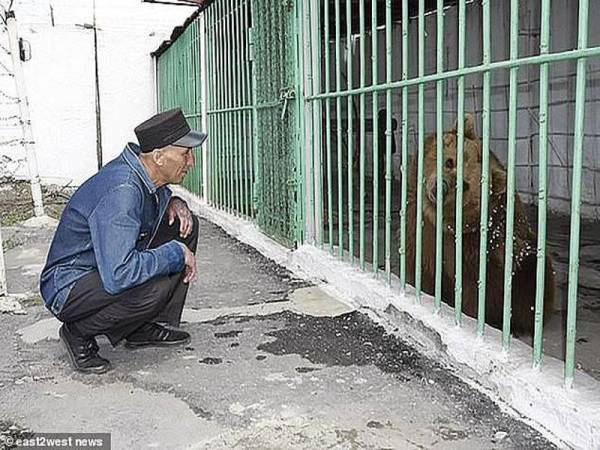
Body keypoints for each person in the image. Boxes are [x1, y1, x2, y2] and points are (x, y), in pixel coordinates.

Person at [40, 108, 207, 374]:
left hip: (100, 267)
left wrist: (174, 201)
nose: (191, 162)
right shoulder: (122, 191)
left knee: (184, 227)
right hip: (68, 285)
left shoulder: (144, 173)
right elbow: (119, 273)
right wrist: (175, 254)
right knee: (153, 289)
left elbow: (151, 200)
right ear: (159, 156)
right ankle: (78, 333)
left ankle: (140, 328)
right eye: (185, 154)